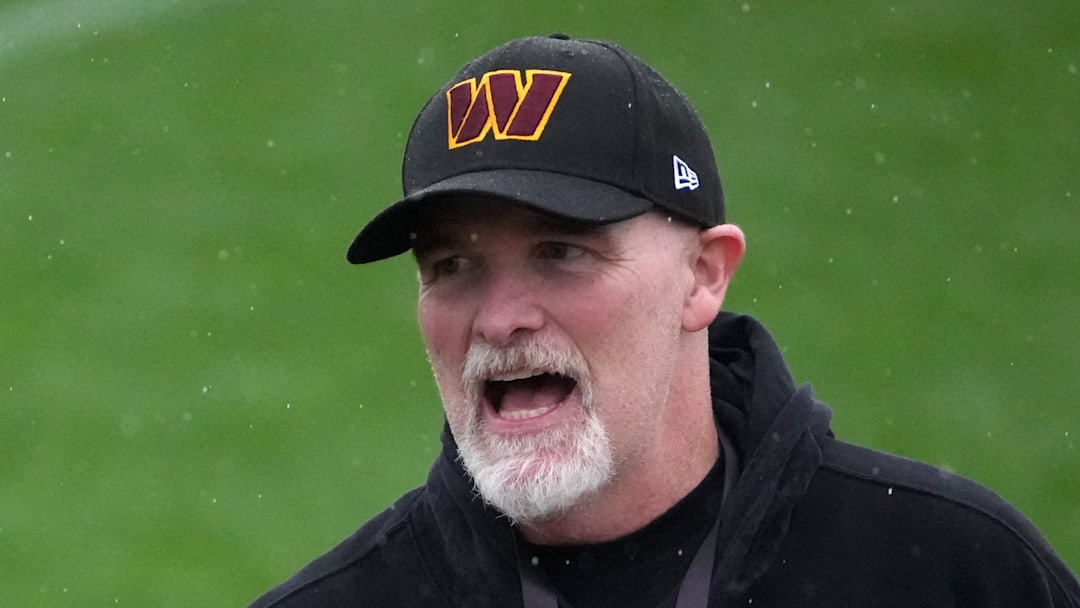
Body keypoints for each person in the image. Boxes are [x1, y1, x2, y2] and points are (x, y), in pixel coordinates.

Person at [249, 35, 1079, 608]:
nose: (500, 318)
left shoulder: (947, 570)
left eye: (560, 252)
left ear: (703, 276)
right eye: (452, 267)